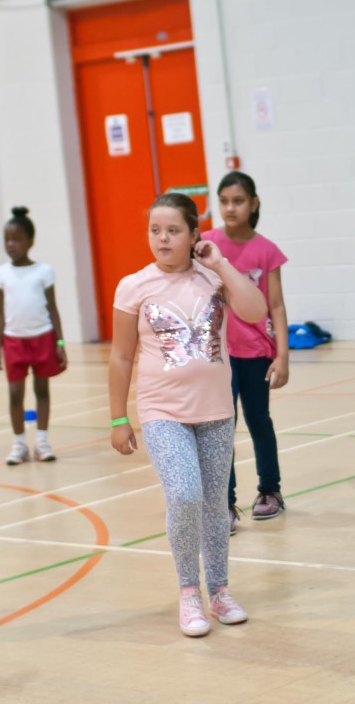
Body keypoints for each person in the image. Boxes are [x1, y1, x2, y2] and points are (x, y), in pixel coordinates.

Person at [109, 194, 268, 637]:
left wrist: (221, 265)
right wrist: (118, 418)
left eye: (173, 230)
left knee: (216, 504)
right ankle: (188, 593)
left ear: (194, 235)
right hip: (163, 411)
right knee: (185, 496)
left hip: (216, 409)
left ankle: (219, 590)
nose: (162, 238)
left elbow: (255, 312)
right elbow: (122, 357)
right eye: (155, 230)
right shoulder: (133, 286)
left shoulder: (212, 278)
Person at [202, 171, 290, 523]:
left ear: (253, 203)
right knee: (222, 425)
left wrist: (282, 355)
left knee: (257, 420)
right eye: (223, 201)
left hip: (255, 354)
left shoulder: (266, 250)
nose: (230, 207)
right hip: (217, 355)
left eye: (238, 200)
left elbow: (277, 305)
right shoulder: (206, 243)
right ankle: (225, 501)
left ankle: (270, 489)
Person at [0, 206, 67, 465]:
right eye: (7, 240)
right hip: (13, 341)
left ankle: (42, 442)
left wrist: (60, 342)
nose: (10, 245)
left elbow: (53, 309)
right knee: (15, 394)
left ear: (30, 241)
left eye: (16, 239)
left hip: (43, 337)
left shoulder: (44, 272)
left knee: (42, 390)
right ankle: (20, 444)